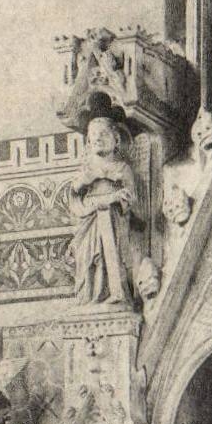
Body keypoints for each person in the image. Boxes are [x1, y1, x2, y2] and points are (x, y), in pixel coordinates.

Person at [70, 105, 136, 303]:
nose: (97, 138)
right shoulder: (85, 170)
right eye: (93, 136)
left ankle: (113, 293)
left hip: (112, 221)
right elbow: (74, 195)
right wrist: (87, 180)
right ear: (88, 143)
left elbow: (131, 198)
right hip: (89, 220)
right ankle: (89, 294)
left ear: (116, 140)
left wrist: (119, 199)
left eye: (103, 134)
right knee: (88, 258)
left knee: (110, 256)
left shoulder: (122, 168)